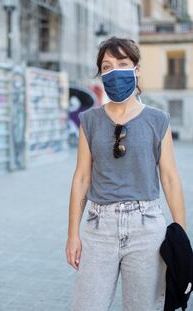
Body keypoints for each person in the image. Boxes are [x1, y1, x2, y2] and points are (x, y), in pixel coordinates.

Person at [65, 37, 187, 311]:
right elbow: (81, 179)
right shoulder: (90, 120)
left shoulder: (158, 120)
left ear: (137, 69)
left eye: (122, 64)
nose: (115, 72)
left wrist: (181, 237)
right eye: (107, 67)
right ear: (100, 74)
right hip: (98, 228)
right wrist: (73, 234)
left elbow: (169, 178)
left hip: (147, 228)